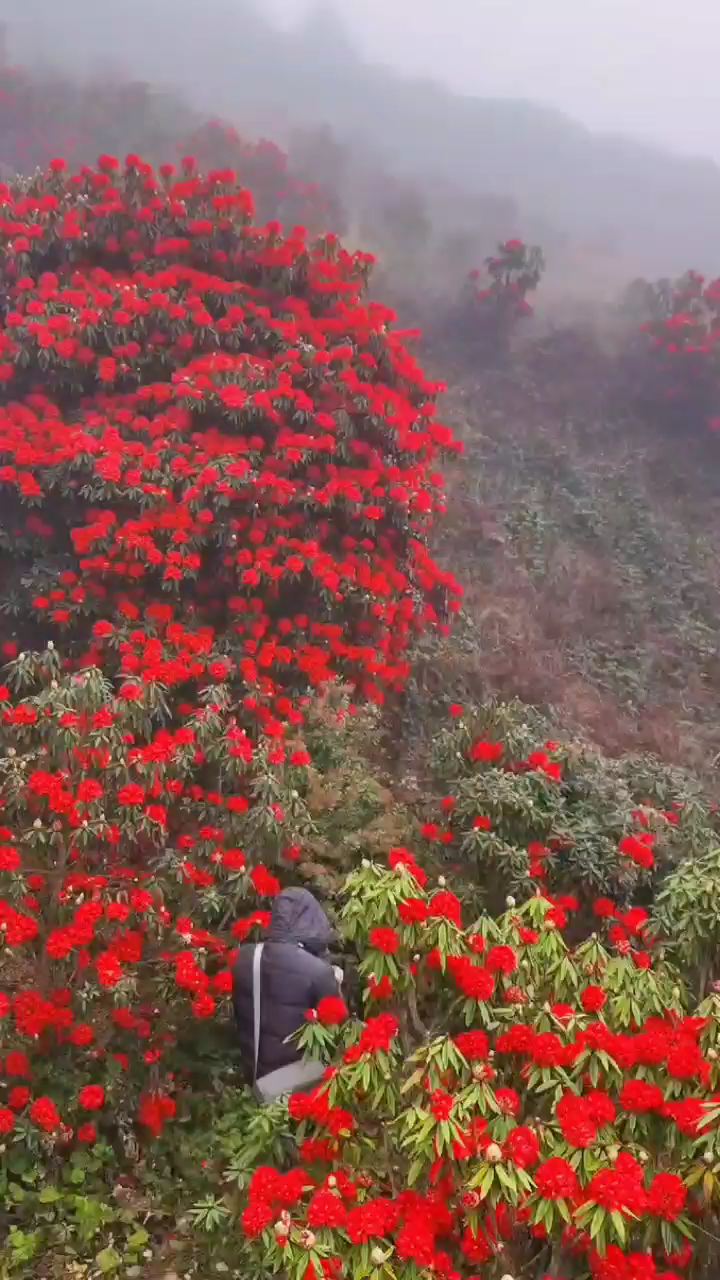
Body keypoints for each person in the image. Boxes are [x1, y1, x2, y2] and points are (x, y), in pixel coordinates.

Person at [232, 886, 342, 1087]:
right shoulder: (317, 972)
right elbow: (335, 1029)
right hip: (299, 1082)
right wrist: (335, 982)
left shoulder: (246, 957)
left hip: (257, 1075)